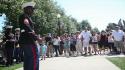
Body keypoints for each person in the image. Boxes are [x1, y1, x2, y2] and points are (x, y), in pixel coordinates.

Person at [19, 2, 40, 70]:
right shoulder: (25, 16)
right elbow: (27, 27)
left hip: (25, 41)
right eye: (32, 9)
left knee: (28, 58)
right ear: (27, 9)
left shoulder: (23, 16)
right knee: (34, 58)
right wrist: (36, 37)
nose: (33, 10)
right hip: (29, 41)